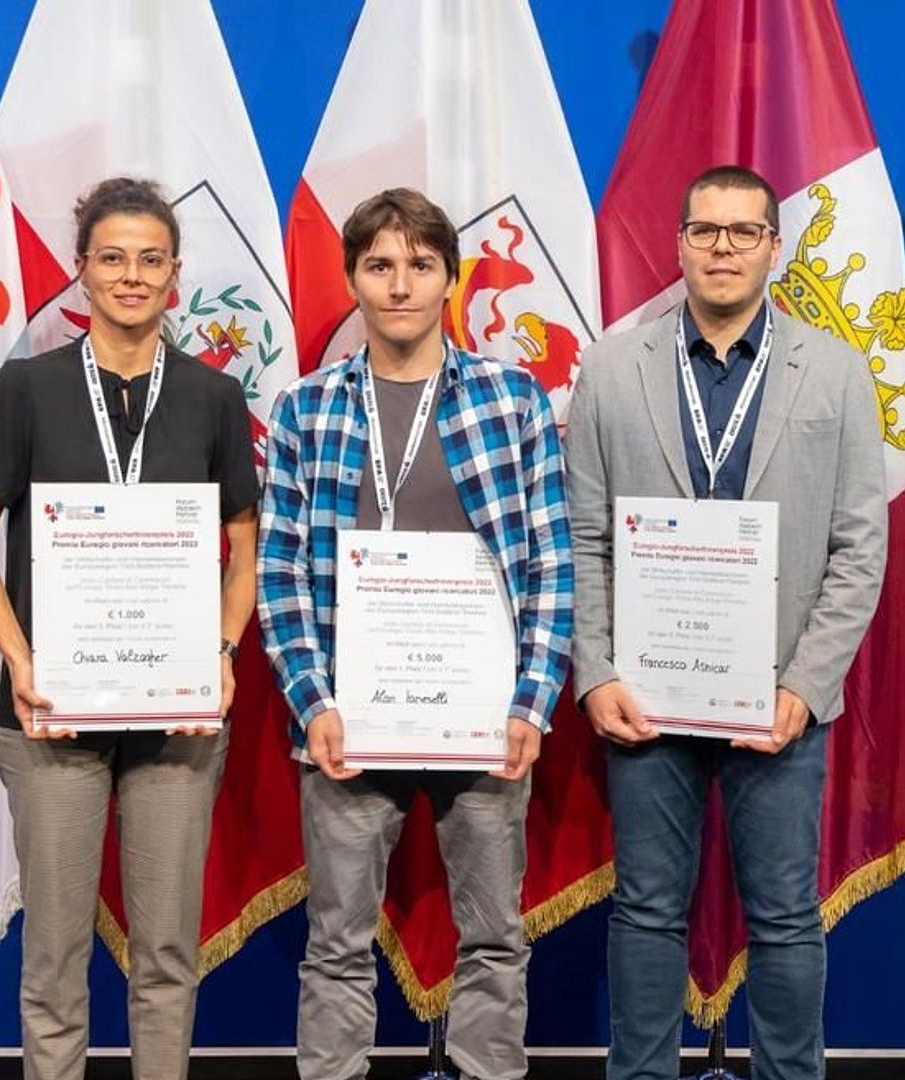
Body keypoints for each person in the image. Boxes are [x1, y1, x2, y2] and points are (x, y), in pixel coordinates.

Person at [563, 165, 888, 1080]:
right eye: (705, 231)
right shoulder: (612, 369)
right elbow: (585, 536)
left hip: (778, 698)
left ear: (774, 249)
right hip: (645, 696)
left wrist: (805, 685)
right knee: (647, 909)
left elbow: (860, 549)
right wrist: (596, 673)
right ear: (679, 243)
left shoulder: (835, 370)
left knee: (785, 914)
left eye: (744, 233)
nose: (722, 250)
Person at [257, 187, 572, 1080]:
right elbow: (280, 572)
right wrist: (311, 702)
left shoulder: (513, 401)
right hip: (349, 723)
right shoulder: (306, 409)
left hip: (484, 723)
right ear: (353, 277)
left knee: (495, 942)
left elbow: (551, 562)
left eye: (420, 266)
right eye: (380, 266)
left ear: (451, 280)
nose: (400, 285)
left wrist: (531, 703)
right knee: (336, 947)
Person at [0, 177, 259, 1080]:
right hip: (53, 711)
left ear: (176, 277)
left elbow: (242, 548)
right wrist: (19, 658)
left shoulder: (213, 397)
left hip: (175, 716)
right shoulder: (26, 389)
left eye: (150, 260)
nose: (132, 275)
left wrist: (223, 651)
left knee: (165, 950)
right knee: (53, 957)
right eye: (112, 257)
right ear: (82, 270)